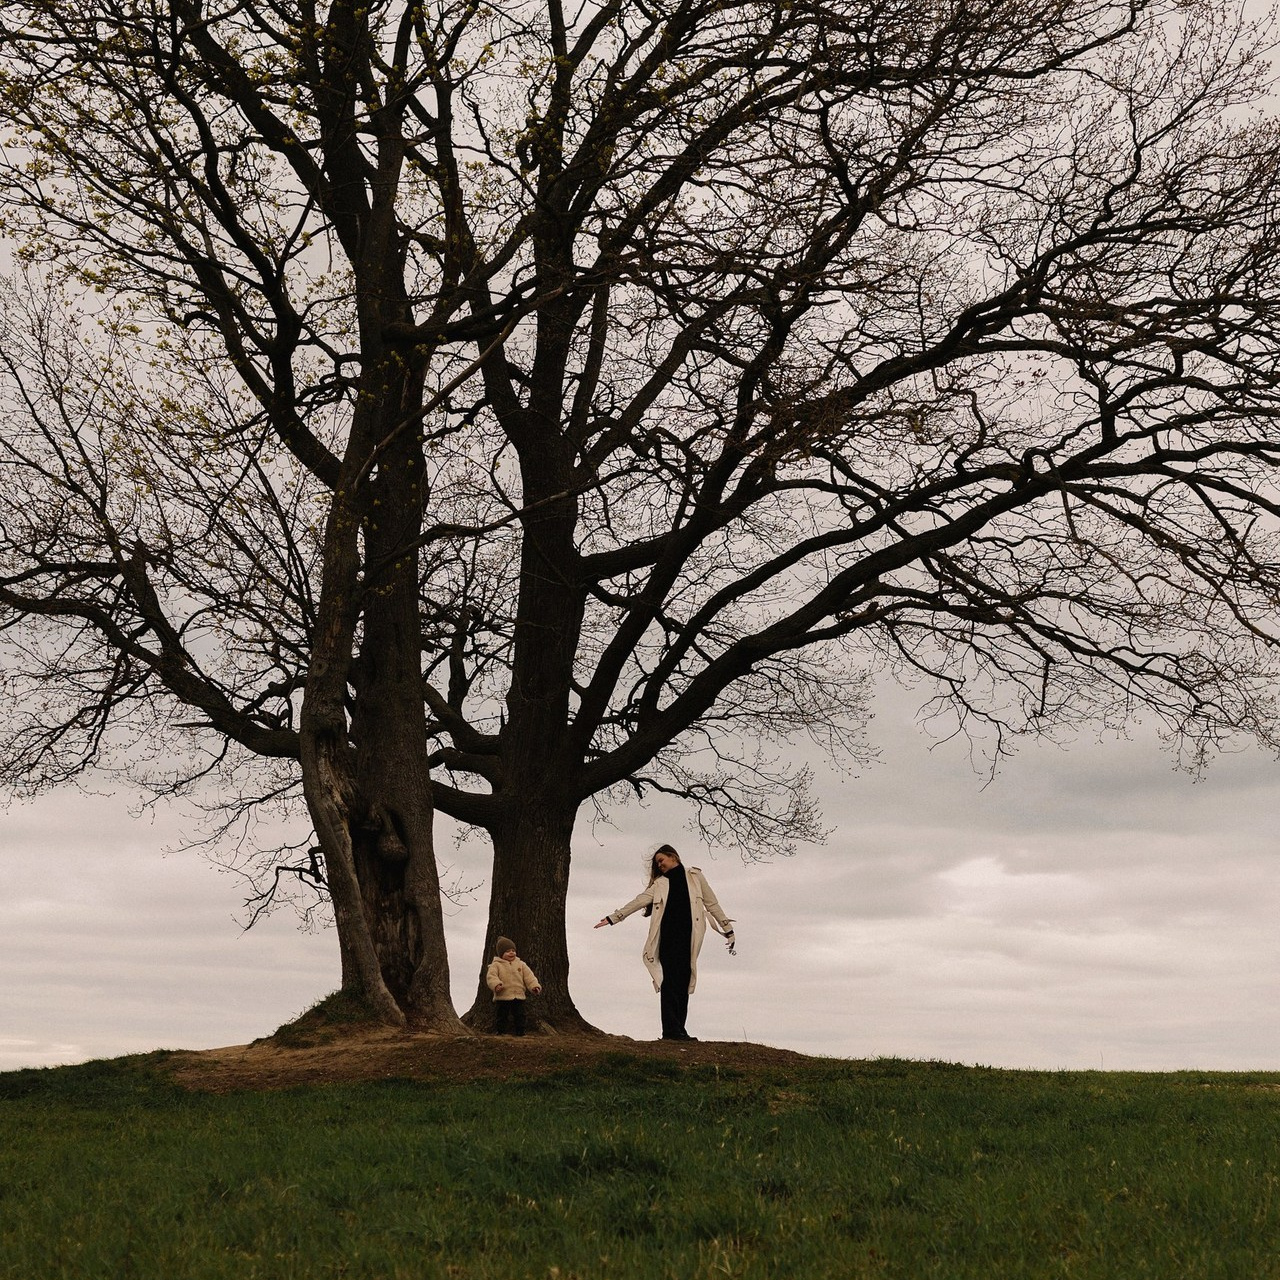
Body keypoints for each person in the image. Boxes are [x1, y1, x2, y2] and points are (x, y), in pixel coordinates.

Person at [594, 844, 735, 1041]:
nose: (659, 865)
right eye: (657, 863)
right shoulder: (660, 884)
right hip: (668, 938)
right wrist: (613, 918)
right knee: (670, 982)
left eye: (661, 860)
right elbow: (639, 901)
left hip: (689, 938)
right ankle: (670, 1030)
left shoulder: (695, 877)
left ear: (673, 857)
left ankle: (680, 1029)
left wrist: (727, 928)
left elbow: (712, 903)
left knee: (684, 981)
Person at [485, 936, 542, 1036]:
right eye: (507, 951)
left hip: (518, 995)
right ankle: (501, 1031)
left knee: (520, 1015)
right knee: (502, 1015)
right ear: (501, 953)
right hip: (503, 996)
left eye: (513, 950)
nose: (511, 953)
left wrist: (534, 986)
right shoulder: (496, 965)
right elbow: (491, 977)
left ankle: (521, 1032)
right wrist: (496, 985)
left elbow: (529, 977)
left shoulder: (521, 964)